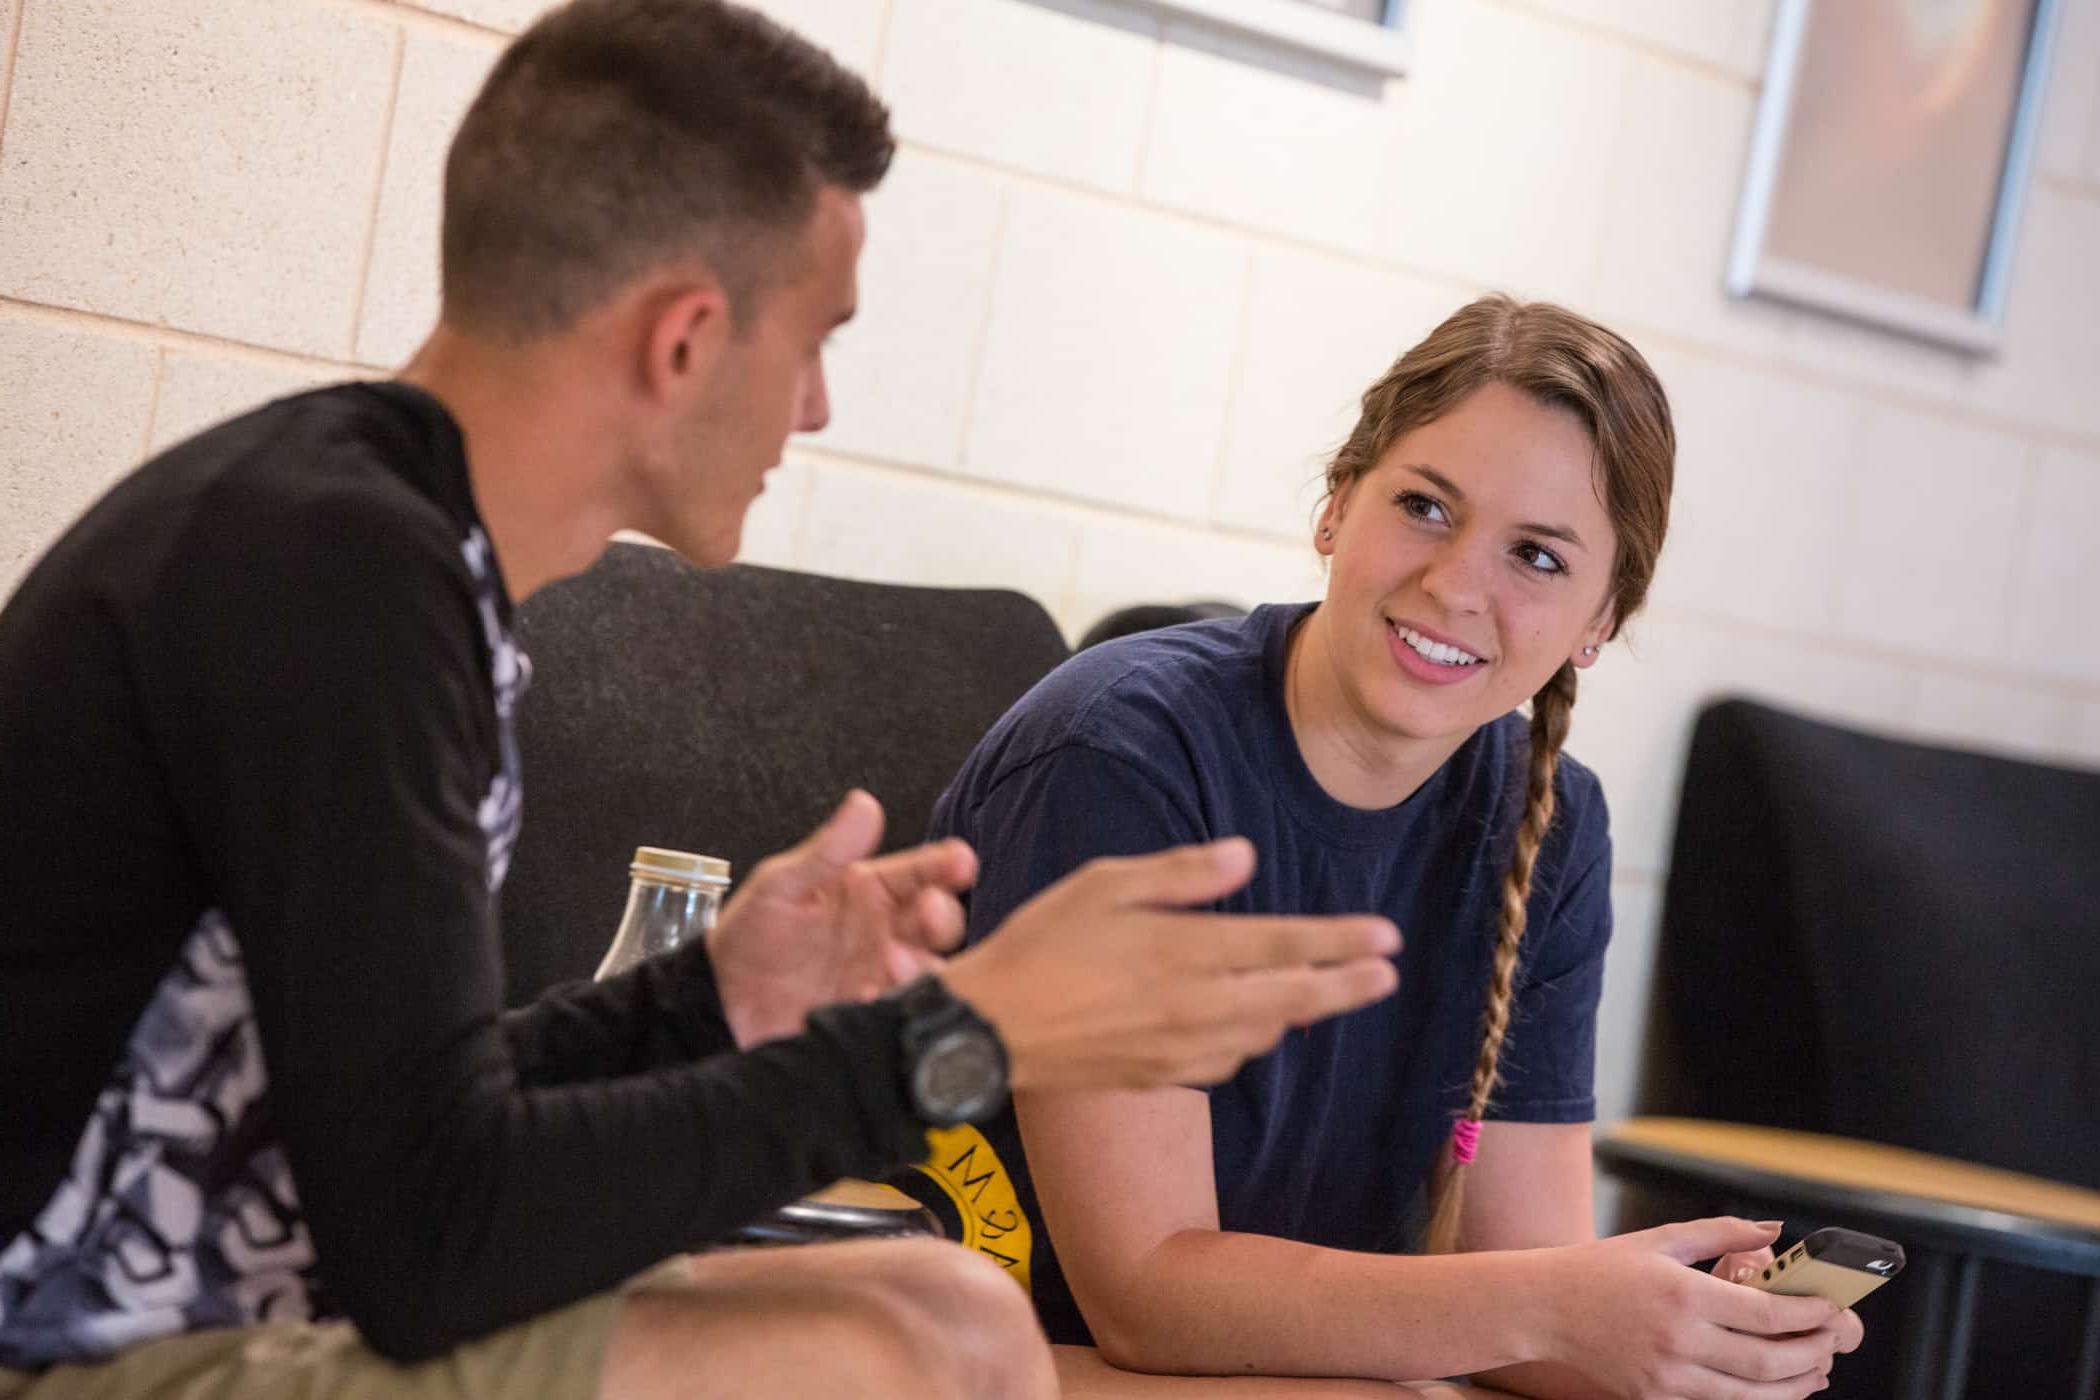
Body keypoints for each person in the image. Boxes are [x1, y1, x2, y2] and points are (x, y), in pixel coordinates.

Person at [0, 3, 1405, 1397]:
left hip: (214, 1292)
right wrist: (961, 1037)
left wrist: (710, 999)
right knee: (882, 1358)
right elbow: (429, 1238)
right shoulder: (341, 581)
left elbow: (394, 1116)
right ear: (681, 343)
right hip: (63, 1354)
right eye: (814, 343)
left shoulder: (366, 537)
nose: (816, 410)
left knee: (950, 1304)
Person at [930, 295, 1869, 1397]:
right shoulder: (1123, 755)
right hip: (1006, 1359)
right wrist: (1560, 1304)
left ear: (1602, 618)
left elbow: (1512, 1285)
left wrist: (1688, 1334)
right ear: (1337, 503)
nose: (1458, 582)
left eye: (1537, 555)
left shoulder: (1551, 821)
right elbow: (1146, 1293)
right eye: (1425, 505)